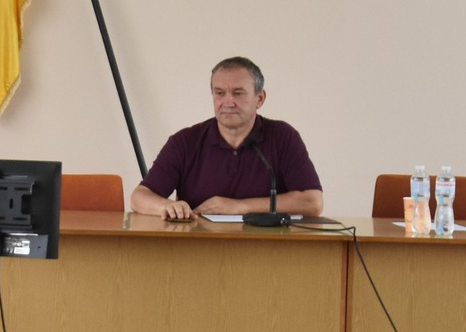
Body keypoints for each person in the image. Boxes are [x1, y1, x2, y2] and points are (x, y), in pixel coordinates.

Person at [130, 57, 323, 221]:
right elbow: (139, 197)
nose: (228, 102)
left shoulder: (282, 137)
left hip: (267, 247)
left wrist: (241, 207)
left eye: (238, 93)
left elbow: (313, 202)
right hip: (198, 246)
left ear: (260, 99)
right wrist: (167, 207)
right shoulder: (185, 142)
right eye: (220, 93)